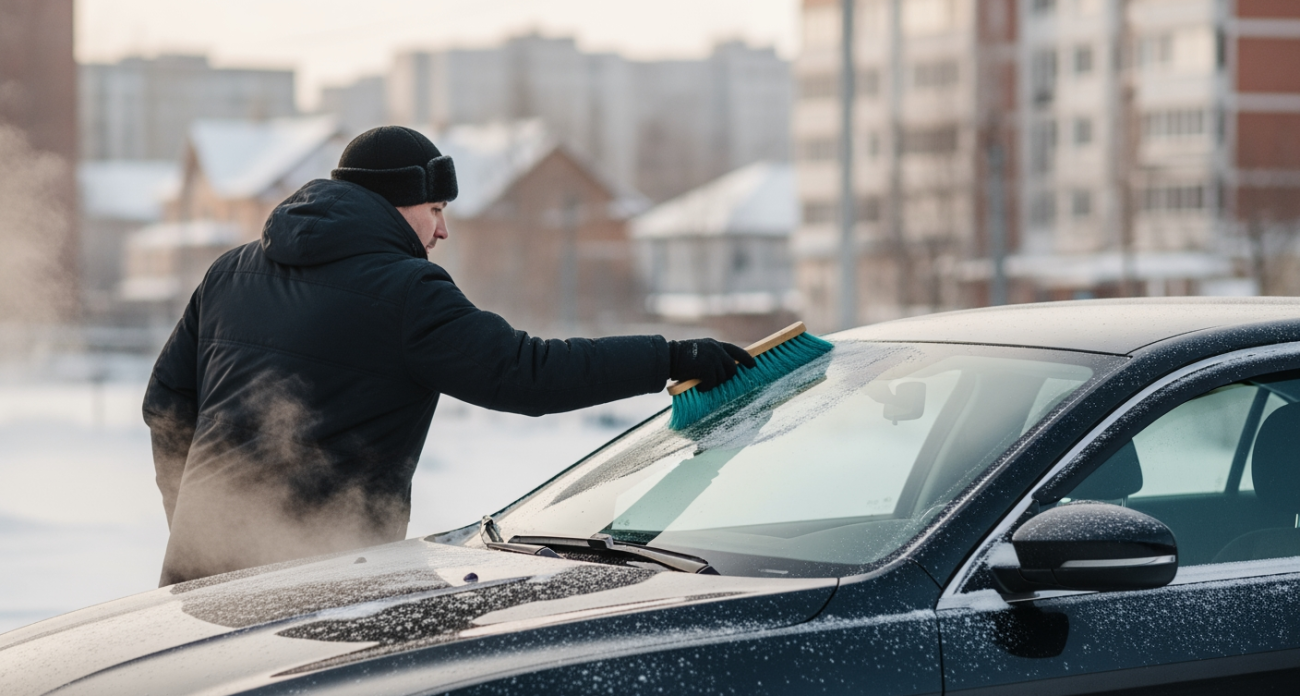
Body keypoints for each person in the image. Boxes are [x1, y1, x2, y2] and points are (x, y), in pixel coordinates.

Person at [141, 126, 754, 586]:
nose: (442, 231)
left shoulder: (231, 271)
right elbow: (526, 373)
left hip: (195, 578)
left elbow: (167, 406)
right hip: (319, 584)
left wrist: (199, 520)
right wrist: (669, 356)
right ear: (396, 203)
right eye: (435, 210)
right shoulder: (406, 291)